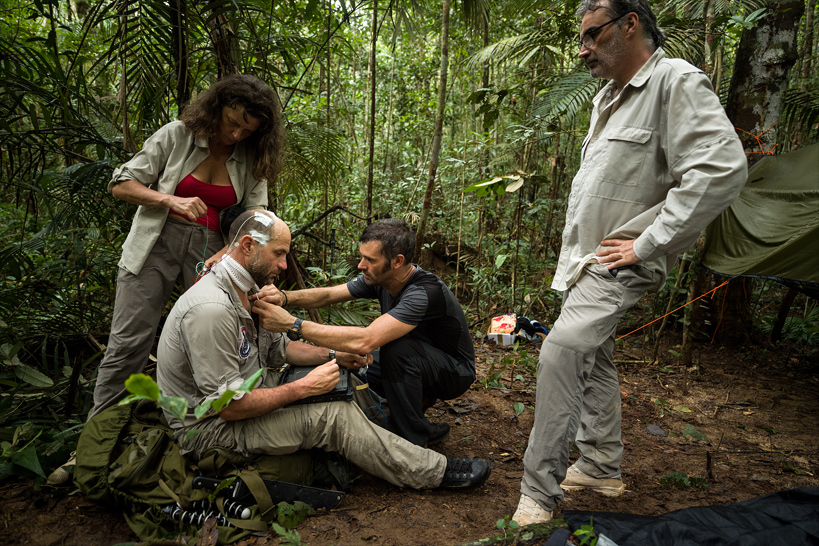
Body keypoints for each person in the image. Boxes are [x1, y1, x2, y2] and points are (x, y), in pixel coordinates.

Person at [511, 0, 747, 525]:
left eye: (592, 35)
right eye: (582, 38)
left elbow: (721, 168)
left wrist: (647, 243)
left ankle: (538, 493)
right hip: (589, 258)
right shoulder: (610, 96)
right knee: (594, 356)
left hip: (622, 259)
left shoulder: (675, 82)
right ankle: (600, 465)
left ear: (630, 24)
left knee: (561, 352)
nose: (583, 49)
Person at [48, 74, 284, 485]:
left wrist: (230, 250)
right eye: (232, 122)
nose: (236, 134)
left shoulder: (251, 156)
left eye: (247, 129)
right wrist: (169, 199)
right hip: (155, 244)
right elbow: (121, 184)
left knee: (215, 339)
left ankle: (196, 437)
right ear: (218, 107)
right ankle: (89, 449)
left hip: (212, 252)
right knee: (128, 344)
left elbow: (258, 217)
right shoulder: (177, 135)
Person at [156, 210, 491, 492]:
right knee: (333, 416)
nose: (284, 265)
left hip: (449, 369)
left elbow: (282, 349)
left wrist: (332, 357)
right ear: (248, 246)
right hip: (211, 429)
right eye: (279, 254)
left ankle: (397, 437)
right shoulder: (212, 309)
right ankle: (433, 470)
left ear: (397, 262)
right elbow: (229, 407)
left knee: (349, 378)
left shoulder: (246, 289)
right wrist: (303, 387)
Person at [250, 218, 476, 447]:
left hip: (454, 371)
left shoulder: (423, 292)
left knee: (397, 353)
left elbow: (366, 339)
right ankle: (399, 417)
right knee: (354, 359)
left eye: (370, 260)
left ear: (397, 261)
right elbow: (329, 295)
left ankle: (414, 441)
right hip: (419, 358)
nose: (361, 265)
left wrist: (292, 324)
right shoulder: (381, 278)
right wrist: (284, 297)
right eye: (362, 257)